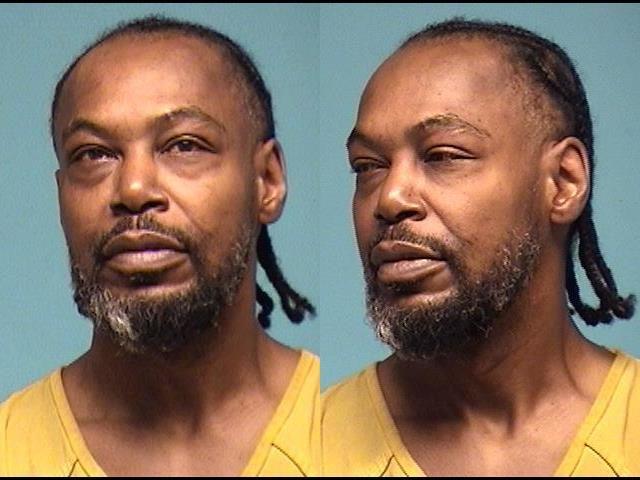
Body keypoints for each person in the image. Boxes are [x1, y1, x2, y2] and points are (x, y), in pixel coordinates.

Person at [0, 15, 318, 476]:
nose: (133, 188)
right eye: (93, 154)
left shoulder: (342, 428)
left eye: (183, 146)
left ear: (266, 181)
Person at [322, 18, 638, 476]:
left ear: (563, 182)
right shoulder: (307, 448)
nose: (390, 198)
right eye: (368, 166)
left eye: (443, 156)